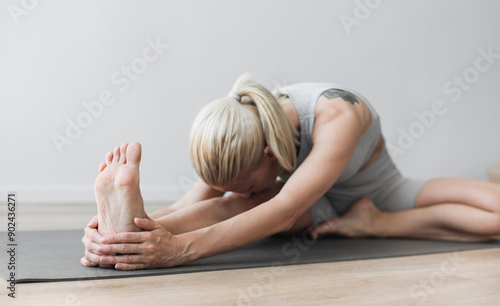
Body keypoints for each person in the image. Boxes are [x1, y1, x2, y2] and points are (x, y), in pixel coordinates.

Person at [81, 73, 500, 270]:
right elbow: (202, 199)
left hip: (377, 189)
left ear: (268, 154)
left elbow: (282, 209)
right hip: (314, 207)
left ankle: (377, 222)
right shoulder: (240, 125)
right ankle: (129, 228)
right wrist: (133, 234)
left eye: (246, 184)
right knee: (233, 207)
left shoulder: (337, 115)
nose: (241, 192)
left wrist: (180, 251)